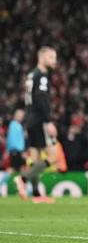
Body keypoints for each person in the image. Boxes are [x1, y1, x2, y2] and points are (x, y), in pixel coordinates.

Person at [14, 47, 58, 203]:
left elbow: (29, 99)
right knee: (53, 157)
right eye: (51, 57)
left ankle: (37, 195)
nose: (54, 60)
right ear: (42, 57)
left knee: (35, 158)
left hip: (30, 119)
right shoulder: (42, 75)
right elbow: (41, 98)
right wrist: (48, 121)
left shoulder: (31, 75)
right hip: (39, 120)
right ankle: (22, 179)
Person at [7, 109, 27, 180]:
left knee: (21, 167)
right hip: (16, 151)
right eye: (19, 115)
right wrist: (21, 151)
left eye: (22, 115)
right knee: (13, 168)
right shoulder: (14, 125)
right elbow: (13, 140)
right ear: (15, 115)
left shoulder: (18, 125)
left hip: (17, 151)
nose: (21, 117)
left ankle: (22, 183)